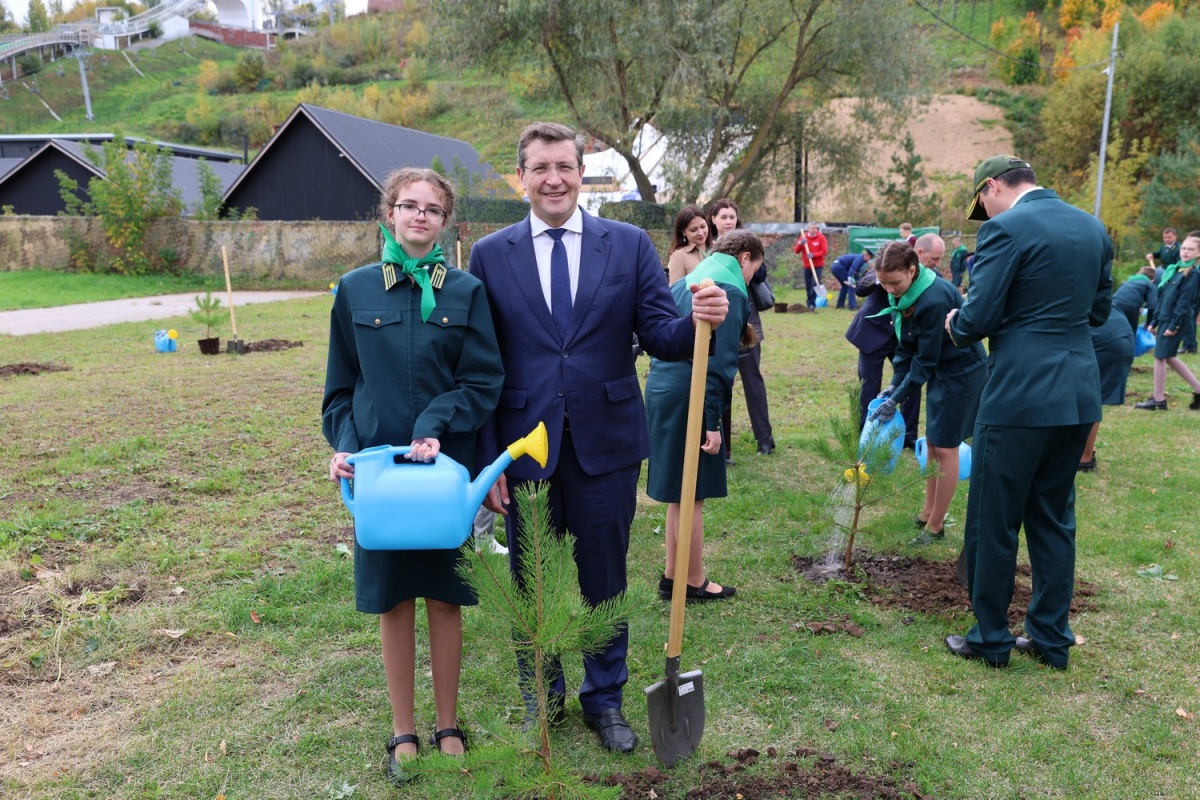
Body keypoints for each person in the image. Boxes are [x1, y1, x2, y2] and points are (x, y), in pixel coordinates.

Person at [468, 122, 730, 755]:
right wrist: (488, 459)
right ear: (522, 176)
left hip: (605, 441)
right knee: (533, 576)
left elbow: (662, 336)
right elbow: (481, 364)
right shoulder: (490, 253)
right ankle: (542, 690)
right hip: (522, 446)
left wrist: (700, 320)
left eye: (564, 166)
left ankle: (604, 698)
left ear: (581, 172)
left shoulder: (629, 245)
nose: (553, 178)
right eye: (539, 168)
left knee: (604, 576)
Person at [323, 168, 504, 783]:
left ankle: (448, 723)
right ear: (389, 214)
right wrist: (345, 449)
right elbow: (339, 391)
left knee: (444, 595)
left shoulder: (467, 292)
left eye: (432, 208)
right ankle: (403, 729)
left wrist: (436, 421)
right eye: (408, 205)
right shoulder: (353, 290)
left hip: (441, 472)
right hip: (378, 476)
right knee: (394, 597)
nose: (419, 216)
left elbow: (483, 382)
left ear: (446, 220)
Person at [943, 155, 1113, 670]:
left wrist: (955, 320)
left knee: (994, 519)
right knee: (1054, 518)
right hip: (1078, 393)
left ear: (993, 187)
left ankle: (992, 637)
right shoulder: (1093, 227)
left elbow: (978, 318)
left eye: (983, 204)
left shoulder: (1004, 230)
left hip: (1019, 395)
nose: (984, 215)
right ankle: (1050, 638)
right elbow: (1099, 312)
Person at [647, 231, 764, 603]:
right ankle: (694, 580)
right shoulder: (728, 288)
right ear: (745, 258)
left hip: (662, 388)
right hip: (690, 394)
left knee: (676, 495)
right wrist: (713, 423)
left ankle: (672, 576)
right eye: (755, 270)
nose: (751, 280)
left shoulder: (689, 278)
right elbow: (720, 365)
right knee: (692, 495)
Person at [867, 243, 985, 546]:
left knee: (946, 447)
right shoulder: (907, 294)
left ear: (912, 270)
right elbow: (906, 348)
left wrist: (898, 398)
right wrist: (895, 385)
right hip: (941, 369)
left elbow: (925, 359)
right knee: (933, 440)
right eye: (884, 284)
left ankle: (935, 526)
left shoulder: (931, 299)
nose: (890, 290)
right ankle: (927, 511)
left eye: (895, 283)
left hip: (961, 372)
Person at [709, 199, 775, 459]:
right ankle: (722, 445)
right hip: (717, 324)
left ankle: (765, 437)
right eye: (723, 216)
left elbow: (760, 274)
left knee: (752, 379)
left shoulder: (749, 245)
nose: (728, 221)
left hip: (748, 323)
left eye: (732, 216)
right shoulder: (707, 247)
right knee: (720, 381)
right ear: (713, 219)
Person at [845, 259, 922, 450]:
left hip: (902, 336)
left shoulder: (924, 274)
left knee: (910, 381)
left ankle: (908, 435)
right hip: (872, 332)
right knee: (869, 386)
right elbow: (861, 289)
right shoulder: (880, 269)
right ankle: (866, 433)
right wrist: (881, 279)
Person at [1134, 233, 1200, 411]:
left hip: (1175, 319)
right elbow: (1164, 298)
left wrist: (1173, 325)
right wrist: (1154, 320)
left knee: (1160, 357)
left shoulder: (1192, 274)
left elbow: (1183, 303)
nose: (1185, 252)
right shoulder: (1175, 269)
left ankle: (1158, 400)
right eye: (1184, 248)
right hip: (1165, 317)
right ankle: (1198, 390)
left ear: (1198, 253)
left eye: (1191, 249)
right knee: (1168, 357)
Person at [1079, 306, 1136, 471]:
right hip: (1121, 334)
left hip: (1105, 339)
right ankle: (1086, 453)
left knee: (1090, 398)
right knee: (1092, 397)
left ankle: (1085, 458)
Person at [666, 204, 711, 285]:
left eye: (703, 226)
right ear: (683, 232)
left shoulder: (719, 247)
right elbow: (676, 290)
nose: (701, 233)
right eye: (694, 230)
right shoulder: (678, 256)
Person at [1111, 266, 1158, 335]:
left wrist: (1140, 307)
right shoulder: (1149, 285)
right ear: (1152, 280)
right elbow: (1152, 306)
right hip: (1130, 308)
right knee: (1130, 333)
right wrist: (1148, 324)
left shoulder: (1127, 282)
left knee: (1115, 331)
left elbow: (1126, 296)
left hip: (1113, 305)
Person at [793, 221, 828, 310]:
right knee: (808, 285)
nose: (815, 230)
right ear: (808, 229)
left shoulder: (821, 238)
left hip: (818, 266)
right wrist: (800, 244)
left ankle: (812, 304)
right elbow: (796, 251)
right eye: (813, 228)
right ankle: (809, 302)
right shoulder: (803, 237)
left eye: (816, 228)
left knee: (814, 284)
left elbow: (824, 251)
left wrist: (813, 255)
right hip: (807, 266)